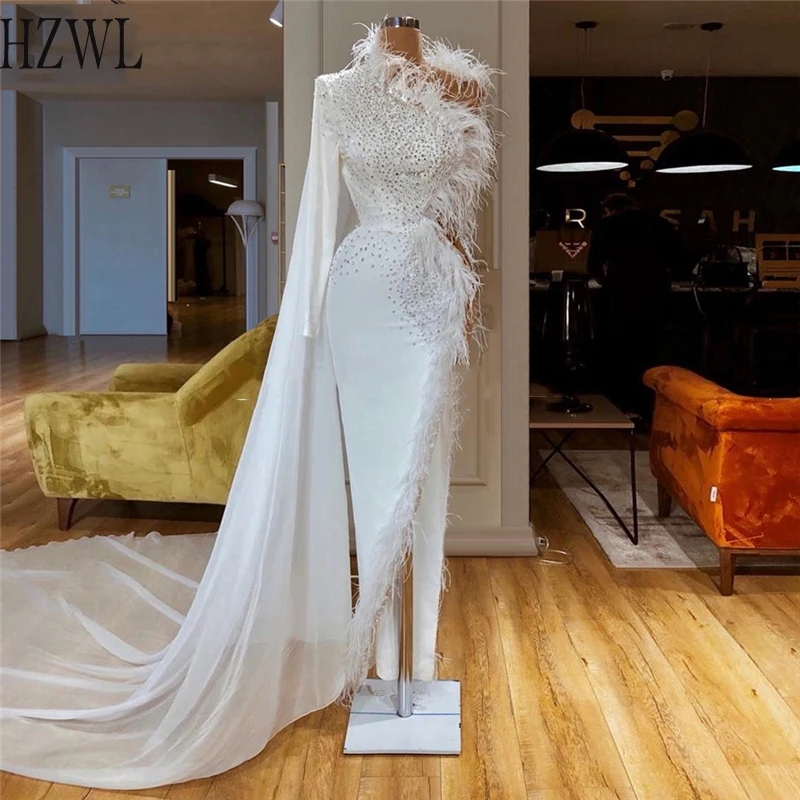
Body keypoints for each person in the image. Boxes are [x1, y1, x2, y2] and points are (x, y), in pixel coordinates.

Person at [588, 193, 689, 421]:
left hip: (621, 294)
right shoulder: (660, 224)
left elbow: (592, 265)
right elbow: (682, 261)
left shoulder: (606, 226)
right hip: (655, 294)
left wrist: (606, 277)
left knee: (621, 352)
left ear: (610, 209)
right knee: (650, 351)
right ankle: (651, 408)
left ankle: (624, 408)